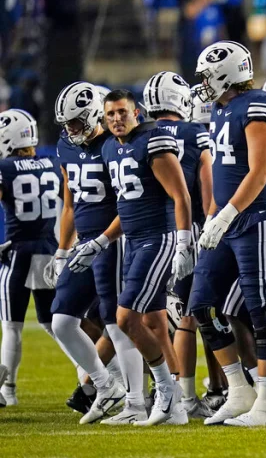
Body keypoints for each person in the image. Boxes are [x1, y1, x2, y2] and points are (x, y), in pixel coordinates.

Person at [187, 40, 266, 426]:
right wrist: (213, 217)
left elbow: (260, 172)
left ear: (227, 73)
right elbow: (226, 175)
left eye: (207, 75)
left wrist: (226, 214)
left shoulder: (259, 104)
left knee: (262, 309)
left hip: (257, 219)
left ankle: (265, 402)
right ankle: (238, 389)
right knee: (201, 304)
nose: (203, 83)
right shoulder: (221, 107)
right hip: (226, 219)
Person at [82, 89, 193, 426]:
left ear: (137, 113)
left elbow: (181, 195)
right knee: (154, 322)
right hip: (133, 240)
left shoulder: (152, 140)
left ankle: (165, 391)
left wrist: (185, 241)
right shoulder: (110, 149)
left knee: (126, 318)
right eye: (110, 114)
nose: (116, 118)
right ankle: (176, 408)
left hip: (157, 238)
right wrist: (102, 241)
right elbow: (126, 208)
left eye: (121, 112)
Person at [49, 82, 138, 424]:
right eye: (65, 123)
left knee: (117, 324)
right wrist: (61, 250)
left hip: (113, 241)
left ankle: (136, 399)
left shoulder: (115, 144)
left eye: (75, 121)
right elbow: (70, 202)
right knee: (62, 321)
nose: (70, 129)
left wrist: (104, 239)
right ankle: (105, 386)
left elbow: (131, 201)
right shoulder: (65, 146)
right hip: (83, 243)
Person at [142, 71, 215, 418]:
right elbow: (207, 193)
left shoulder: (140, 135)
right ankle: (192, 396)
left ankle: (153, 392)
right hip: (190, 231)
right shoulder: (195, 133)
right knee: (194, 314)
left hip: (148, 233)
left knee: (149, 316)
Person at [0, 109, 61, 406]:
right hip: (48, 249)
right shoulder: (51, 162)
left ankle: (8, 391)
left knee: (12, 326)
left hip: (18, 251)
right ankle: (91, 374)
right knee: (55, 324)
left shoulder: (6, 167)